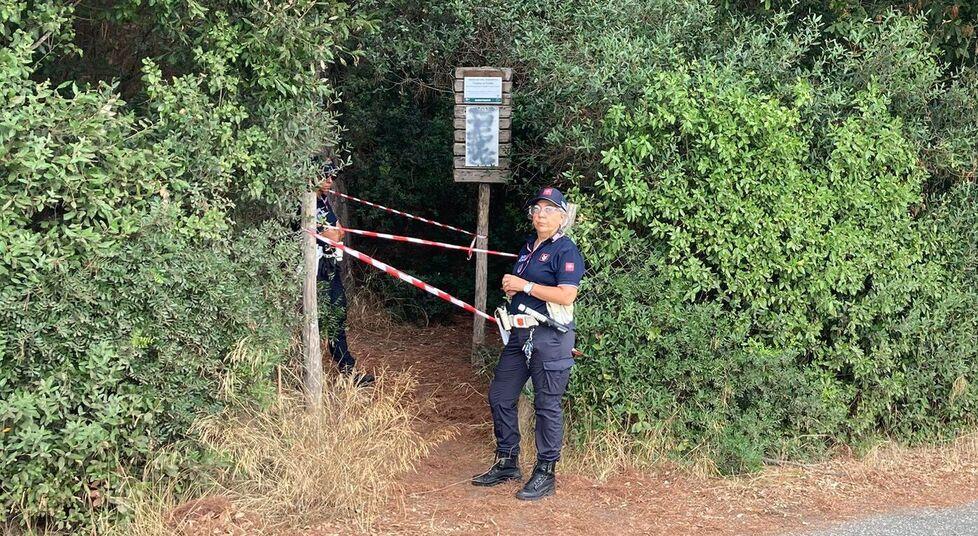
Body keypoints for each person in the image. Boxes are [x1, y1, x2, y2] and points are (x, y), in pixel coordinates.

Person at [472, 186, 585, 501]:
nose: (540, 214)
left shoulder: (566, 250)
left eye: (549, 209)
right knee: (500, 396)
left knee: (547, 406)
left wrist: (527, 285)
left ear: (562, 217)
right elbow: (528, 289)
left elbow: (566, 295)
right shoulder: (529, 248)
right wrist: (514, 290)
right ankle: (508, 460)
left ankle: (546, 472)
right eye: (537, 209)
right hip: (519, 336)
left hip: (550, 339)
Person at [311, 156, 374, 387]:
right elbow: (333, 235)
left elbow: (339, 231)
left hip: (330, 267)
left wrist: (334, 234)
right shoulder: (307, 204)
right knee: (315, 321)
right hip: (314, 272)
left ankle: (348, 372)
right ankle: (308, 373)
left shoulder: (325, 201)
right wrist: (333, 234)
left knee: (337, 314)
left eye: (332, 176)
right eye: (325, 176)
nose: (329, 181)